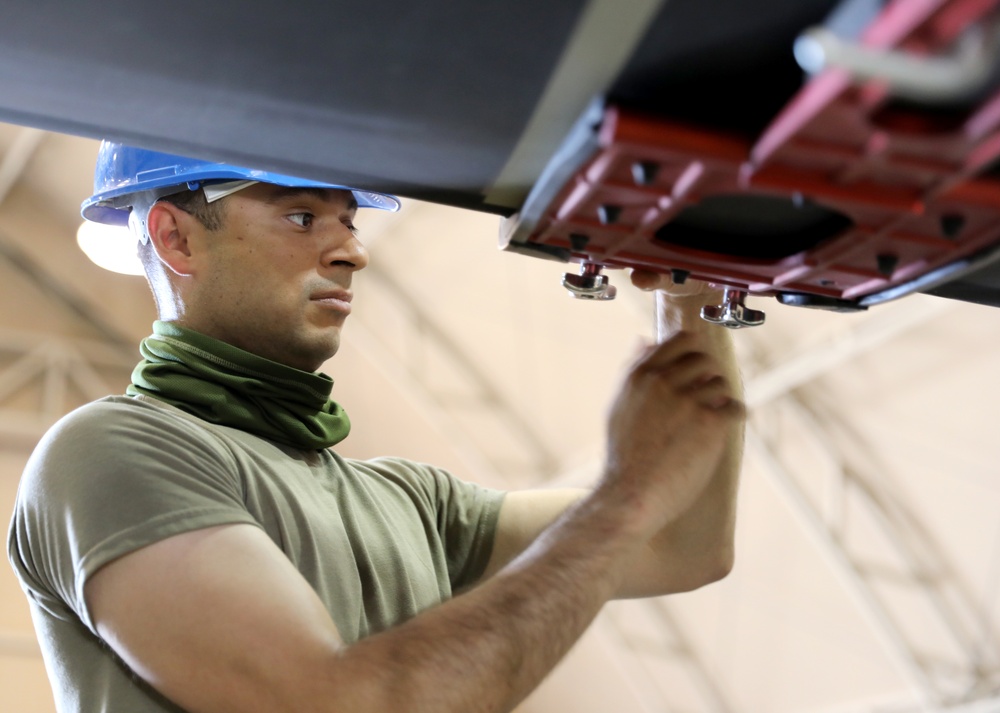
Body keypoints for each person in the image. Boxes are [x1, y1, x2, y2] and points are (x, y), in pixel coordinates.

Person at [8, 142, 745, 713]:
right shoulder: (111, 453)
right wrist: (621, 497)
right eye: (301, 217)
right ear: (176, 240)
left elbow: (683, 543)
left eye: (349, 223)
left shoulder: (410, 502)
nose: (352, 252)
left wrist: (689, 296)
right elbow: (336, 702)